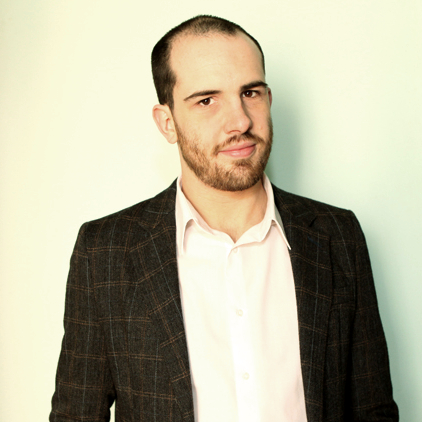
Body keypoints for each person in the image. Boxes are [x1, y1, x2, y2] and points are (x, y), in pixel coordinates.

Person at [50, 15, 398, 422]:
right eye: (207, 100)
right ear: (167, 123)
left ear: (268, 99)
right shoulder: (105, 252)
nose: (241, 121)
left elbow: (373, 410)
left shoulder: (338, 236)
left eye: (250, 92)